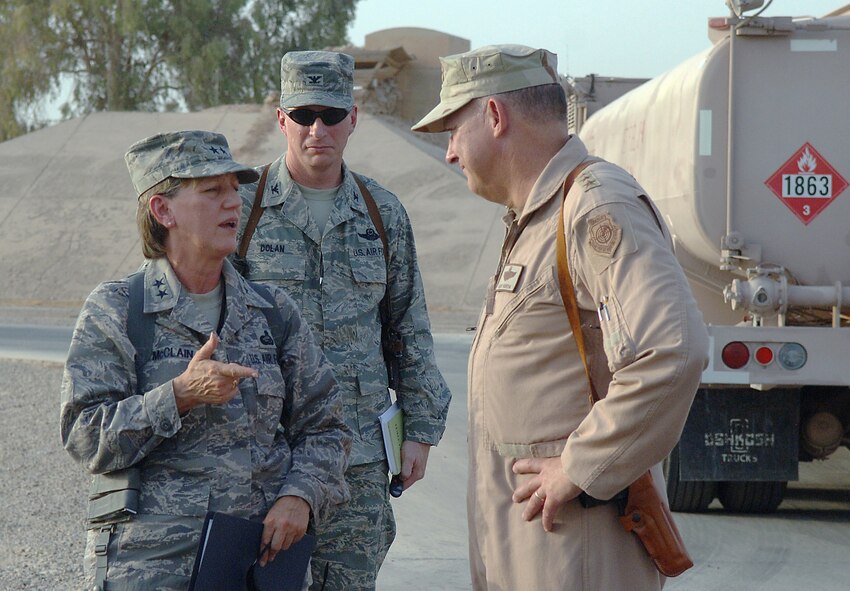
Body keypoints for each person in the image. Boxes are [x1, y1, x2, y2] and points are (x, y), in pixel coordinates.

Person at [412, 45, 710, 590]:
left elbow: (673, 350)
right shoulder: (536, 217)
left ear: (494, 116)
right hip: (535, 543)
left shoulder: (596, 205)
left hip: (579, 544)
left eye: (453, 130)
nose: (450, 152)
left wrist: (578, 467)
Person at [60, 130, 351, 590]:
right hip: (152, 567)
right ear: (163, 210)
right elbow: (84, 436)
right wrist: (177, 396)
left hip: (256, 565)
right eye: (213, 191)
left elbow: (327, 427)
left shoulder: (272, 311)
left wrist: (301, 496)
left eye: (235, 189)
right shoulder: (117, 309)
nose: (234, 204)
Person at [235, 51, 452, 591]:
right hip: (265, 454)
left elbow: (409, 327)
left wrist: (419, 432)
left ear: (353, 118)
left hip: (357, 459)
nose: (317, 129)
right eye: (303, 114)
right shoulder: (242, 209)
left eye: (331, 115)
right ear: (281, 118)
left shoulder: (382, 213)